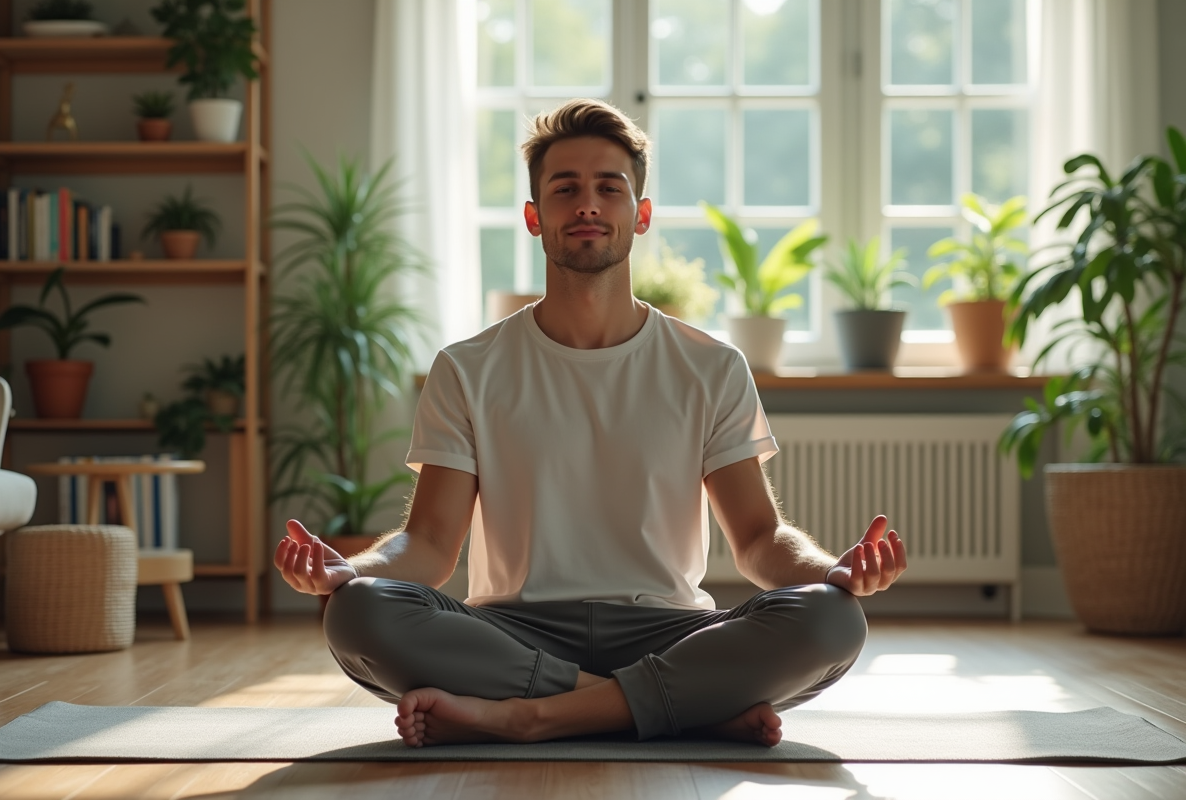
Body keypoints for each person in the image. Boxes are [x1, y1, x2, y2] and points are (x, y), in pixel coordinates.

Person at [275, 98, 908, 749]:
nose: (587, 204)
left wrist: (830, 570)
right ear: (533, 216)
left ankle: (531, 716)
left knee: (833, 621)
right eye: (565, 188)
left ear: (641, 215)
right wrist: (350, 572)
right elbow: (431, 545)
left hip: (665, 631)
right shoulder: (468, 367)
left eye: (610, 187)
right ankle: (677, 708)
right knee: (358, 613)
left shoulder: (711, 366)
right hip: (512, 634)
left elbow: (757, 538)